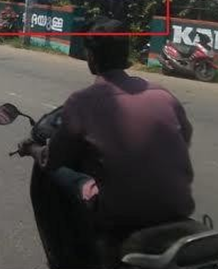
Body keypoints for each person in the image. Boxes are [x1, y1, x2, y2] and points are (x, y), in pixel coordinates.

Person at [20, 18, 195, 256]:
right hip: (179, 207)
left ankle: (69, 256)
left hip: (119, 215)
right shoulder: (163, 94)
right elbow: (185, 137)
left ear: (91, 57)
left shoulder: (82, 102)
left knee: (57, 172)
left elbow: (51, 160)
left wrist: (31, 149)